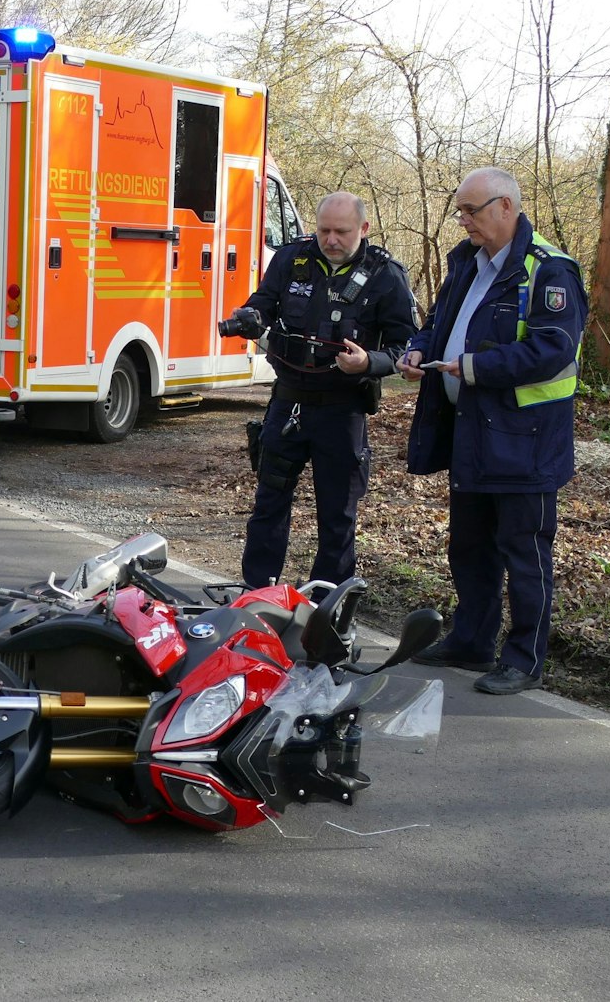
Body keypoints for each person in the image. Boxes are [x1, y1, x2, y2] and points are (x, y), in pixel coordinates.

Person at [396, 167, 587, 696]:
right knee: (470, 547)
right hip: (473, 435)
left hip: (526, 442)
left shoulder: (548, 270)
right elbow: (439, 324)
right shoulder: (466, 262)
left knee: (524, 554)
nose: (463, 221)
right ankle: (472, 640)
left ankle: (524, 660)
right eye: (459, 210)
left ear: (506, 207)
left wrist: (476, 367)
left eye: (471, 210)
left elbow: (552, 350)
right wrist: (418, 351)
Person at [222, 191, 417, 590]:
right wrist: (250, 317)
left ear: (363, 229)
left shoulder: (386, 276)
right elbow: (263, 304)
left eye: (341, 232)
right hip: (288, 403)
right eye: (324, 230)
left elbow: (408, 347)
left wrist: (369, 362)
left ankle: (327, 600)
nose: (330, 240)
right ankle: (259, 592)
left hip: (343, 410)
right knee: (269, 502)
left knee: (338, 513)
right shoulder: (291, 260)